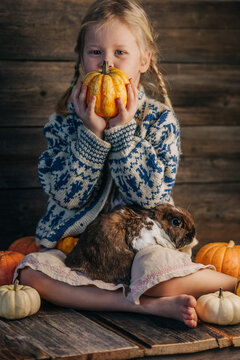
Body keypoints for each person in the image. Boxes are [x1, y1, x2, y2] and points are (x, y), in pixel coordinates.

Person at [16, 0, 237, 328]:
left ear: (144, 60)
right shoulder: (63, 122)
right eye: (95, 52)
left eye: (121, 52)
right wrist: (91, 134)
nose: (107, 63)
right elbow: (65, 195)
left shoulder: (161, 121)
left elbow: (151, 198)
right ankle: (143, 306)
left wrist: (121, 133)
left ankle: (227, 283)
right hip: (82, 253)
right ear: (81, 60)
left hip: (143, 252)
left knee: (156, 272)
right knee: (31, 273)